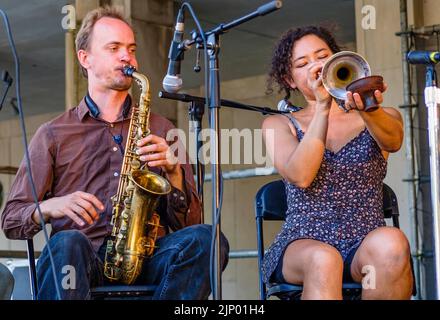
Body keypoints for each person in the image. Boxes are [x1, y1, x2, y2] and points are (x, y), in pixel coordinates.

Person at [1, 6, 229, 300]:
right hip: (83, 260)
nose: (127, 57)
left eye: (131, 49)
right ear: (85, 58)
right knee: (66, 242)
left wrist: (173, 173)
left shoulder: (161, 127)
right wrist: (51, 206)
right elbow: (11, 220)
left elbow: (190, 226)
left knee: (207, 239)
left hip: (148, 258)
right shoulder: (53, 133)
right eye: (114, 48)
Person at [261, 26, 413, 300]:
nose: (316, 66)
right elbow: (301, 175)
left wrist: (368, 107)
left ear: (337, 59)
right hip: (304, 242)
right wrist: (322, 108)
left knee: (392, 242)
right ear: (290, 79)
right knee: (325, 258)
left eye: (322, 56)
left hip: (364, 241)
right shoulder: (278, 124)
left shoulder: (378, 114)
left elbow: (393, 142)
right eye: (303, 63)